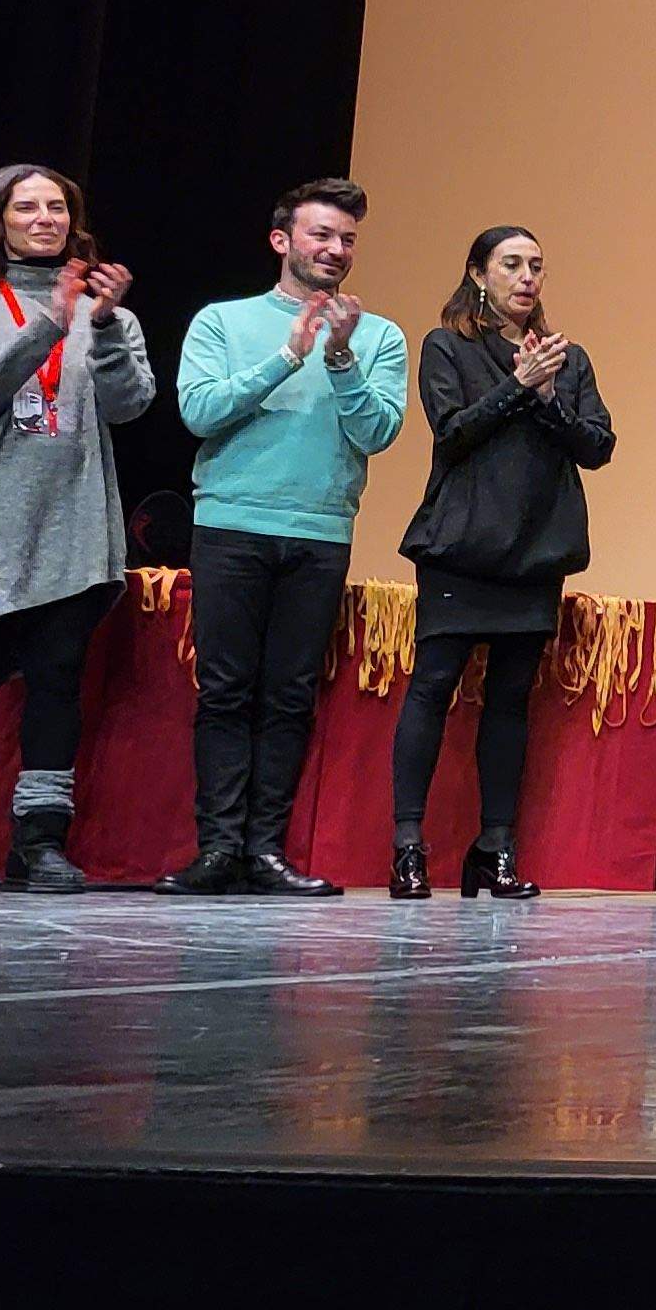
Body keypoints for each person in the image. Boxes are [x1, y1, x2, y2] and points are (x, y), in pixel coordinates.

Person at [0, 165, 156, 893]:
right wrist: (50, 320)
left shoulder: (108, 314)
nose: (45, 218)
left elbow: (132, 405)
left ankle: (42, 840)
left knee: (57, 680)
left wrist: (103, 326)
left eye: (57, 206)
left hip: (73, 511)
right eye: (28, 207)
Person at [170, 179, 408, 897]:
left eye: (347, 240)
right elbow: (199, 412)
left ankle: (265, 851)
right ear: (283, 241)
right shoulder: (223, 321)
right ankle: (217, 851)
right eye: (322, 235)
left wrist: (339, 359)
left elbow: (379, 432)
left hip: (319, 531)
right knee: (225, 691)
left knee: (289, 696)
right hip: (231, 526)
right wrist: (287, 356)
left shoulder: (379, 335)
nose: (336, 250)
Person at [389, 226, 615, 900]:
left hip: (536, 549)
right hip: (461, 545)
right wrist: (518, 384)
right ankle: (407, 846)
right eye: (511, 265)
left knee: (511, 700)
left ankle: (495, 848)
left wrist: (546, 396)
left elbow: (598, 445)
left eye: (537, 267)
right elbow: (452, 431)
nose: (527, 278)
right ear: (478, 274)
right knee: (433, 685)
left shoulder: (566, 360)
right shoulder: (447, 345)